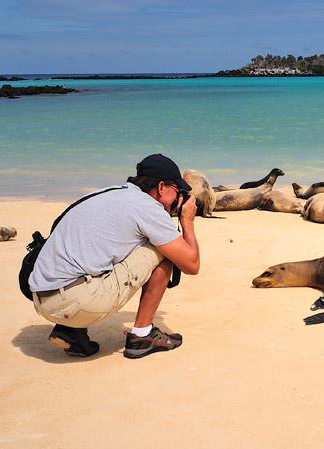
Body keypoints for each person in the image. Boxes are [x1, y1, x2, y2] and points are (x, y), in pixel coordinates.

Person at [28, 154, 200, 359]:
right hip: (74, 303)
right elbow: (191, 264)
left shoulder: (107, 193)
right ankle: (142, 336)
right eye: (177, 191)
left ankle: (71, 330)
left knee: (110, 247)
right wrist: (187, 221)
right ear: (162, 187)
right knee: (163, 250)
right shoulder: (148, 208)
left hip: (40, 297)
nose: (178, 197)